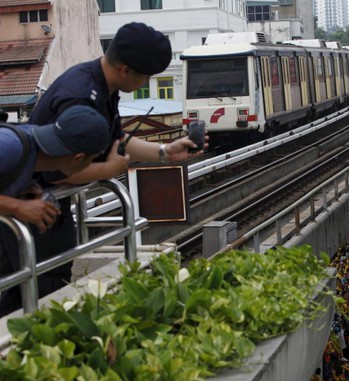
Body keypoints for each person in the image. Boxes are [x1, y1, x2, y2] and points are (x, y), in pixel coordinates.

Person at [18, 22, 207, 296]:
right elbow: (60, 171)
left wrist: (165, 151)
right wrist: (107, 170)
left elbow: (118, 141)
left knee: (55, 285)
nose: (145, 83)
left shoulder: (104, 84)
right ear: (125, 69)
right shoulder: (79, 97)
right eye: (145, 77)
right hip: (29, 209)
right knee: (32, 295)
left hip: (53, 210)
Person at [0, 106, 111, 314]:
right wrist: (18, 207)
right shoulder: (11, 146)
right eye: (91, 162)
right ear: (78, 158)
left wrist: (18, 188)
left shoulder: (30, 149)